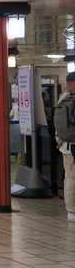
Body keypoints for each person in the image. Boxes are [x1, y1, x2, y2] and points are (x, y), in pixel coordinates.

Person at [58, 73, 75, 221]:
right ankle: (72, 210)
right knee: (71, 177)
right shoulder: (69, 100)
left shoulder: (63, 99)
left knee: (70, 177)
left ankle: (71, 210)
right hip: (71, 145)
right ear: (70, 83)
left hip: (66, 144)